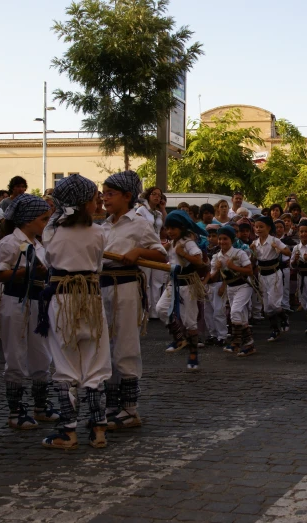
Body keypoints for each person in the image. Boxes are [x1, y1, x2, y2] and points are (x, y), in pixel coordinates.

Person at [38, 174, 111, 450]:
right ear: (84, 203)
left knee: (66, 364)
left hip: (62, 297)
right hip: (91, 297)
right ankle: (99, 429)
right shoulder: (99, 232)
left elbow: (48, 259)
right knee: (96, 361)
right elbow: (98, 262)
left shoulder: (51, 231)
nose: (99, 202)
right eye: (94, 198)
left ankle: (68, 432)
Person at [100, 171, 167, 429]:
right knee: (105, 346)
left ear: (127, 196)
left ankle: (130, 409)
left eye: (110, 194)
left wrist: (137, 251)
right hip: (103, 286)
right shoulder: (103, 226)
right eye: (103, 194)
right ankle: (111, 404)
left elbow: (160, 254)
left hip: (126, 287)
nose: (105, 199)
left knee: (125, 345)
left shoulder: (139, 224)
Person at [0, 194, 57, 430]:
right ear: (28, 220)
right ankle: (16, 410)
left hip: (39, 303)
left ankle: (41, 404)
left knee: (41, 353)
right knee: (15, 355)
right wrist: (26, 272)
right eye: (42, 219)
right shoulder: (8, 243)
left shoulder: (39, 244)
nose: (45, 223)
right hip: (16, 301)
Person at [155, 210, 207, 368]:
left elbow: (199, 260)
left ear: (182, 228)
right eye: (168, 228)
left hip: (188, 285)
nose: (170, 231)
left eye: (173, 228)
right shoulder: (171, 244)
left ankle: (193, 354)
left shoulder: (187, 243)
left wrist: (183, 253)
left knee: (190, 321)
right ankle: (179, 338)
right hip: (173, 283)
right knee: (161, 309)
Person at [211, 226, 254, 356]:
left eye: (225, 239)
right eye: (220, 239)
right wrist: (217, 269)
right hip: (231, 287)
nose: (222, 242)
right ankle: (249, 344)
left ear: (231, 240)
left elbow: (249, 270)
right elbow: (212, 276)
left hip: (243, 286)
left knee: (235, 312)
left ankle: (236, 342)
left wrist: (233, 266)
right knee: (241, 315)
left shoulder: (239, 253)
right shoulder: (217, 256)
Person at [251, 216, 291, 342]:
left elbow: (288, 252)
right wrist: (252, 252)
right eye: (256, 227)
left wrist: (277, 248)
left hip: (274, 274)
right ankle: (275, 329)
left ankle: (284, 318)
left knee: (274, 303)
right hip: (262, 274)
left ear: (268, 228)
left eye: (261, 227)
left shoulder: (274, 240)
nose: (258, 229)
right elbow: (253, 260)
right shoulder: (255, 243)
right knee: (267, 307)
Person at [137, 186, 167, 320]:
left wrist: (163, 208)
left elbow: (164, 227)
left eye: (159, 195)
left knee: (157, 281)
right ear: (148, 196)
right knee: (145, 280)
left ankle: (155, 311)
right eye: (154, 194)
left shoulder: (159, 213)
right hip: (145, 246)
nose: (156, 197)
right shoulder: (141, 210)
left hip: (157, 246)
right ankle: (144, 311)